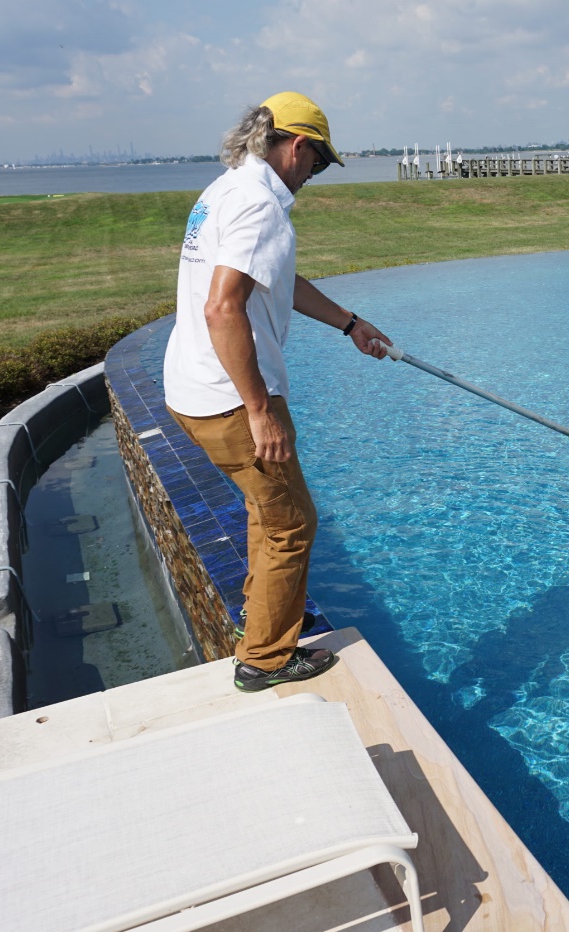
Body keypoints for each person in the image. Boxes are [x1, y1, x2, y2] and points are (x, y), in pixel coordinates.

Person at [164, 91, 392, 692]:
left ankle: (260, 612)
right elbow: (222, 308)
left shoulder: (225, 189)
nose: (314, 175)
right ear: (296, 146)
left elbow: (275, 281)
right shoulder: (260, 204)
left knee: (265, 509)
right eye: (316, 163)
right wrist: (260, 410)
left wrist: (349, 322)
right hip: (231, 396)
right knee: (293, 524)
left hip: (190, 387)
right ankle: (265, 658)